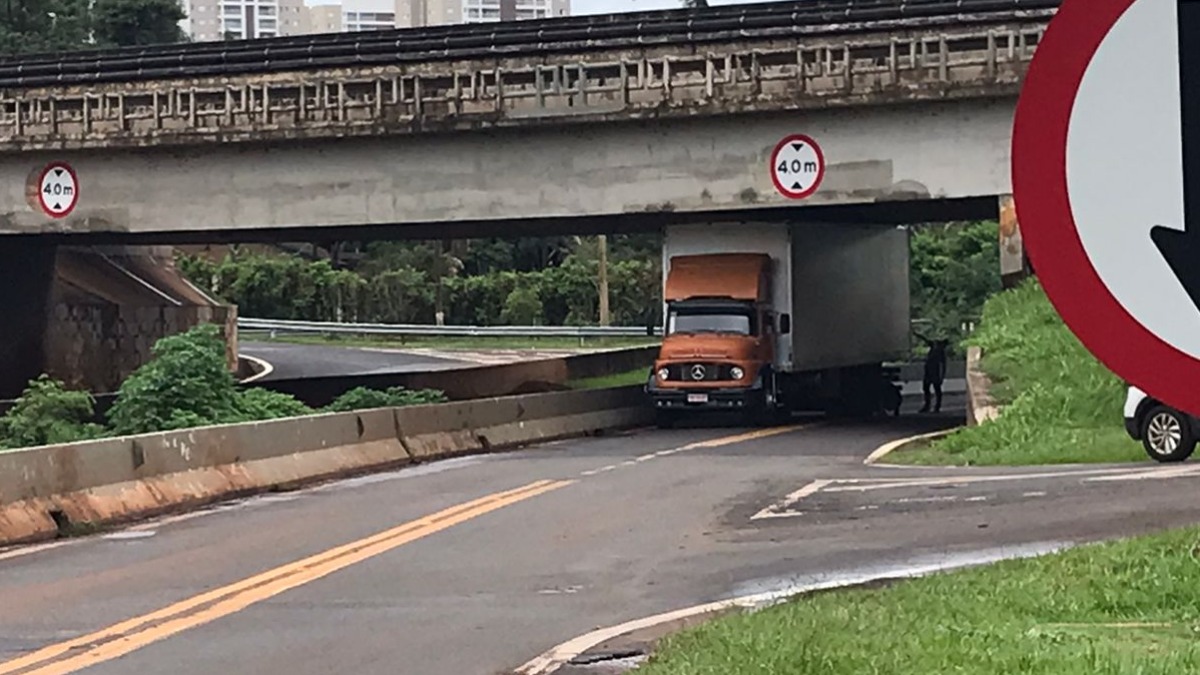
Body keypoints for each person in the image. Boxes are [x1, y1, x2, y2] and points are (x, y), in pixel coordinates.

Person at [915, 332, 948, 413]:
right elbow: (926, 340)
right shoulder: (935, 347)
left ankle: (935, 406)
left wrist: (942, 376)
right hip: (930, 371)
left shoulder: (940, 352)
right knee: (927, 388)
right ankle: (930, 405)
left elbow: (943, 365)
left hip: (934, 372)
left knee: (935, 389)